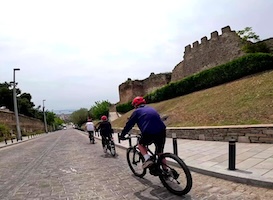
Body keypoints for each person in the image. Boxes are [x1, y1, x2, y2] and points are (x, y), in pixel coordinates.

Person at [119, 96, 166, 169]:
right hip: (162, 130)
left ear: (135, 105)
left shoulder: (136, 112)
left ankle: (148, 159)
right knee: (160, 153)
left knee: (140, 144)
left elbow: (129, 125)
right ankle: (166, 171)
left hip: (148, 131)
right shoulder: (151, 108)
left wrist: (122, 135)